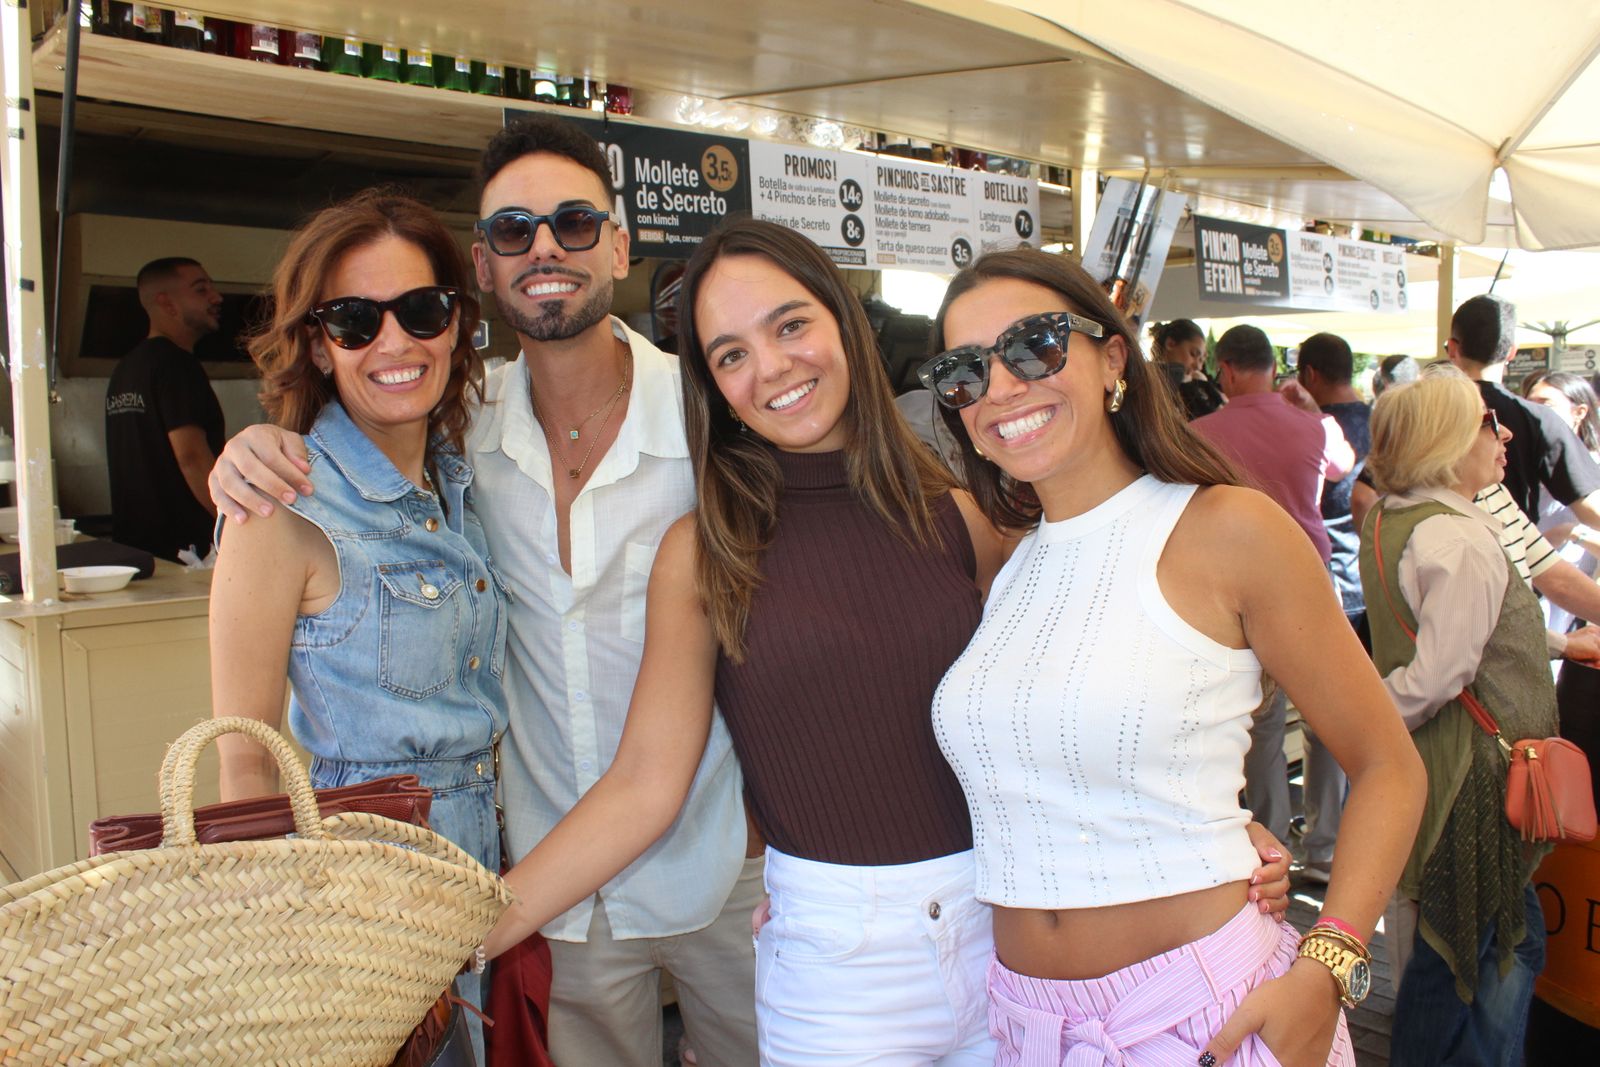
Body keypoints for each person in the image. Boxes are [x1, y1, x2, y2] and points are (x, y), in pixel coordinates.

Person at [476, 219, 1293, 1067]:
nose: (773, 366)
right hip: (836, 968)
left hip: (1009, 945)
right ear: (713, 386)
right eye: (730, 354)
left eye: (790, 325)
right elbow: (644, 784)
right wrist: (465, 930)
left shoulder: (966, 515)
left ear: (843, 322)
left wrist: (1225, 830)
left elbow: (1100, 698)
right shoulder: (704, 549)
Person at [209, 115, 761, 1067]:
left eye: (576, 223)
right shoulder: (464, 429)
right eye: (515, 232)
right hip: (534, 889)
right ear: (487, 270)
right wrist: (250, 447)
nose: (545, 247)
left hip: (722, 863)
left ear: (621, 244)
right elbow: (246, 756)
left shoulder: (717, 412)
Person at [922, 248, 1423, 1066]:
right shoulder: (1008, 564)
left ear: (1112, 355)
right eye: (964, 370)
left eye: (1034, 345)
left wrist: (1328, 965)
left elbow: (1390, 767)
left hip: (1206, 1016)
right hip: (1023, 1021)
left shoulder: (1227, 528)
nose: (1001, 387)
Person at [207, 190, 506, 1057]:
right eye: (354, 320)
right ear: (316, 342)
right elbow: (244, 752)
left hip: (490, 873)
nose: (396, 343)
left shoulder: (455, 480)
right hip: (369, 894)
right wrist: (280, 945)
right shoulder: (281, 509)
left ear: (456, 323)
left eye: (420, 310)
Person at [1359, 368, 1559, 1065]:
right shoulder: (1460, 537)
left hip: (1441, 771)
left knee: (1469, 943)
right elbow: (1438, 673)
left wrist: (1558, 641)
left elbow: (1443, 633)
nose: (1503, 435)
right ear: (1447, 439)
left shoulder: (1393, 516)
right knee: (1481, 952)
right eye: (1486, 422)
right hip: (1471, 779)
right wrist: (1365, 722)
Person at [1192, 323, 1356, 848]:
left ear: (1229, 370)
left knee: (1260, 725)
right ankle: (1326, 839)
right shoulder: (1316, 425)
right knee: (1328, 713)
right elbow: (1343, 469)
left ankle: (1273, 838)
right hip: (1313, 579)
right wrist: (1308, 409)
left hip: (1240, 591)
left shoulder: (1200, 433)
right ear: (1272, 368)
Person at [1292, 331, 1374, 884]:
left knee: (1326, 728)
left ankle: (1326, 844)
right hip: (1375, 588)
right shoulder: (1381, 422)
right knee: (1359, 724)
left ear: (1311, 373)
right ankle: (1337, 840)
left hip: (1331, 586)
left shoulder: (1310, 428)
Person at [105, 256, 225, 560]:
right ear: (166, 303)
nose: (216, 297)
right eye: (201, 290)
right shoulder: (176, 365)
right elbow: (192, 456)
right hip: (184, 553)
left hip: (135, 552)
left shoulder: (126, 369)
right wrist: (232, 520)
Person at [1447, 294, 1600, 528]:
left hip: (1427, 549)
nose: (1501, 434)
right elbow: (1591, 508)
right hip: (1513, 551)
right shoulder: (1538, 418)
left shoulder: (1422, 413)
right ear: (1512, 352)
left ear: (1453, 349)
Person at [1149, 318, 1226, 419]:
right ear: (1170, 344)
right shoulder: (1147, 380)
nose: (1198, 366)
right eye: (1193, 354)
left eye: (1201, 360)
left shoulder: (1199, 385)